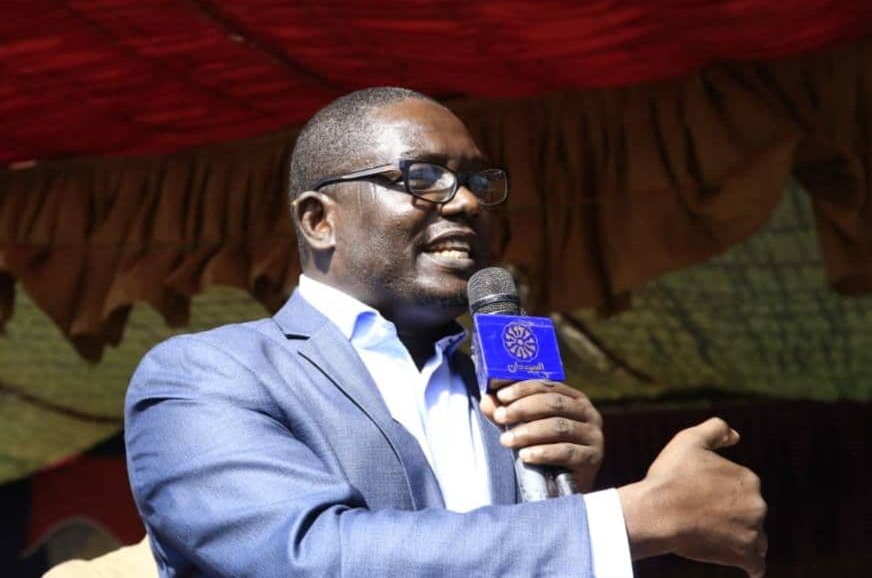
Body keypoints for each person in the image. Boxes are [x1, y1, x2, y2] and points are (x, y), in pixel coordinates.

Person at [125, 87, 767, 577]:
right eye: (423, 177)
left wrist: (569, 490)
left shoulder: (503, 383)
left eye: (478, 181)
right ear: (320, 220)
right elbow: (307, 556)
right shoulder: (207, 374)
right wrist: (627, 520)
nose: (466, 202)